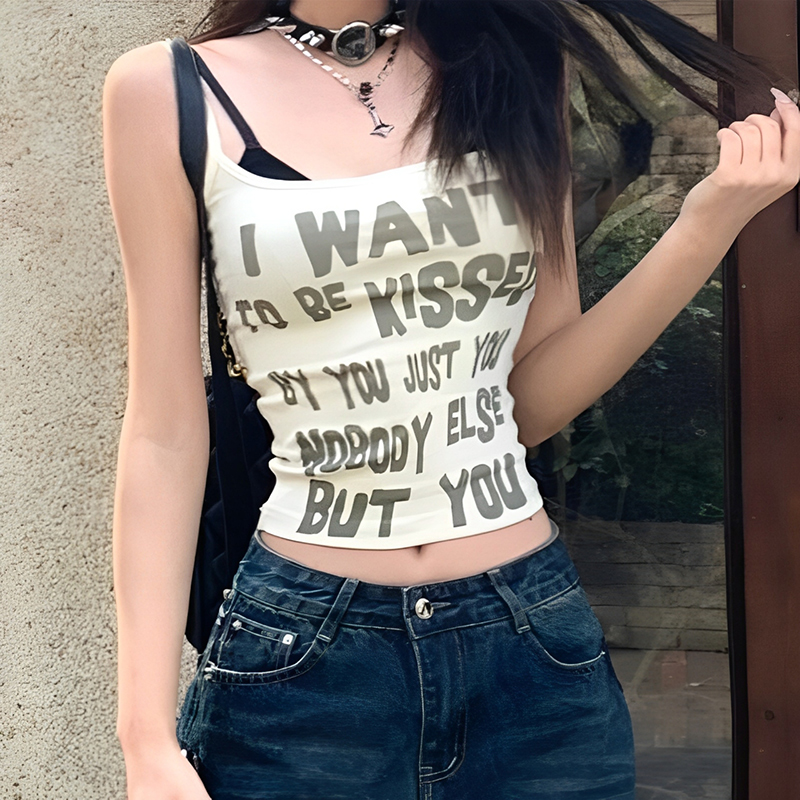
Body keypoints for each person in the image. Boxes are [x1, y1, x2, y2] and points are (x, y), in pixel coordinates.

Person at [102, 1, 799, 798]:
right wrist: (144, 737)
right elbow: (163, 433)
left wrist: (704, 227)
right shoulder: (169, 91)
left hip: (529, 649)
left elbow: (531, 400)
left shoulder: (513, 64)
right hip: (304, 660)